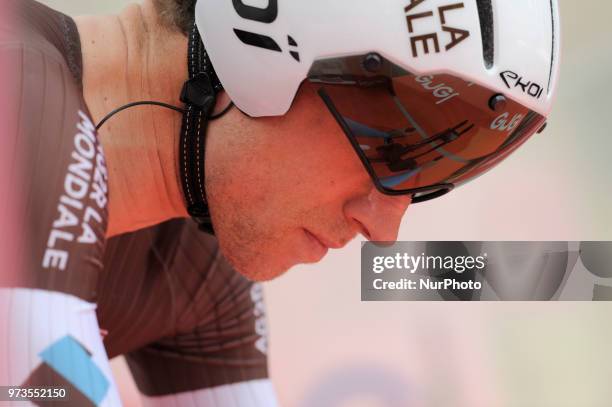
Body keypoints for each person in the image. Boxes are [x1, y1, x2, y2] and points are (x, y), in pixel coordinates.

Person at [0, 0, 560, 405]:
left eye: (431, 175)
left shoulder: (195, 262)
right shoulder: (15, 87)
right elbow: (37, 384)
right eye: (393, 149)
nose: (385, 228)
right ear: (261, 39)